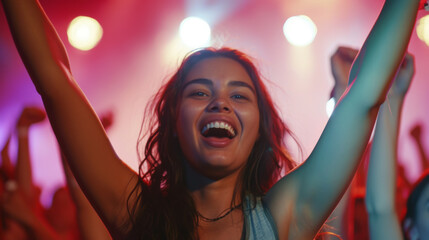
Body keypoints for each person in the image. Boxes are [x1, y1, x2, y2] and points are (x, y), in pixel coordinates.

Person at [1, 0, 425, 239]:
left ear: (260, 130)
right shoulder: (138, 216)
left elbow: (364, 95)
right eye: (199, 92)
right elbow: (54, 81)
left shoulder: (282, 218)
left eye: (239, 96)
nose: (219, 104)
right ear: (172, 124)